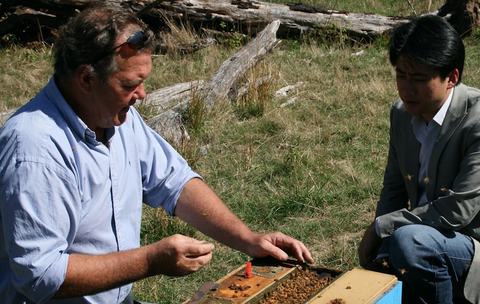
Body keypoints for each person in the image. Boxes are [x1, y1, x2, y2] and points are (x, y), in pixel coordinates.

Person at [0, 5, 313, 304]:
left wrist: (247, 239)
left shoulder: (117, 116)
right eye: (130, 84)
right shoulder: (35, 148)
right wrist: (150, 261)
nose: (142, 95)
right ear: (86, 79)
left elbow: (174, 182)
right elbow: (39, 275)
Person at [358, 15, 480, 304]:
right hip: (428, 241)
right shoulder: (402, 114)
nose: (407, 88)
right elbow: (394, 189)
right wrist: (385, 251)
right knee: (403, 244)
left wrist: (381, 228)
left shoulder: (476, 120)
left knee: (411, 242)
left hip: (471, 248)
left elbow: (457, 211)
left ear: (452, 77)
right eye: (401, 75)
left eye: (419, 79)